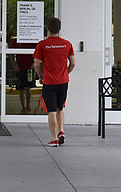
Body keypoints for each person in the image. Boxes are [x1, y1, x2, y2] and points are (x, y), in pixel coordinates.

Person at [33, 17, 75, 147]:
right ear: (59, 29)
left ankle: (54, 138)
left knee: (51, 110)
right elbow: (73, 63)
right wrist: (65, 73)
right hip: (63, 82)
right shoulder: (67, 44)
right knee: (60, 108)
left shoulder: (42, 44)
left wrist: (41, 76)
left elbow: (36, 64)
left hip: (49, 82)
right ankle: (61, 131)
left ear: (48, 29)